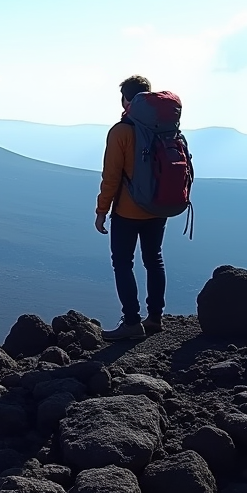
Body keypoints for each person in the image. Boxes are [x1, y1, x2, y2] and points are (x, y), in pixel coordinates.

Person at [95, 75, 166, 340]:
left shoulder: (121, 132)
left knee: (123, 263)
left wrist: (102, 211)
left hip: (128, 211)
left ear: (127, 100)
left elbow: (111, 176)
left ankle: (132, 323)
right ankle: (155, 318)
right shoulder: (164, 129)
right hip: (159, 207)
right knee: (154, 259)